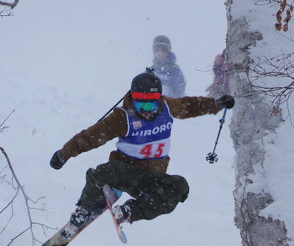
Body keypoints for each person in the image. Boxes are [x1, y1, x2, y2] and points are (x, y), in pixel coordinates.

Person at [48, 72, 235, 237]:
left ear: (159, 99)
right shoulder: (122, 117)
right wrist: (64, 154)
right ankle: (84, 210)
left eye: (151, 104)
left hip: (152, 180)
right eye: (140, 104)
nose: (146, 111)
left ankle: (129, 211)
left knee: (179, 186)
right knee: (105, 171)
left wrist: (216, 104)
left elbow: (190, 106)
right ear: (132, 97)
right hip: (127, 172)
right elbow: (91, 137)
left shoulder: (167, 107)